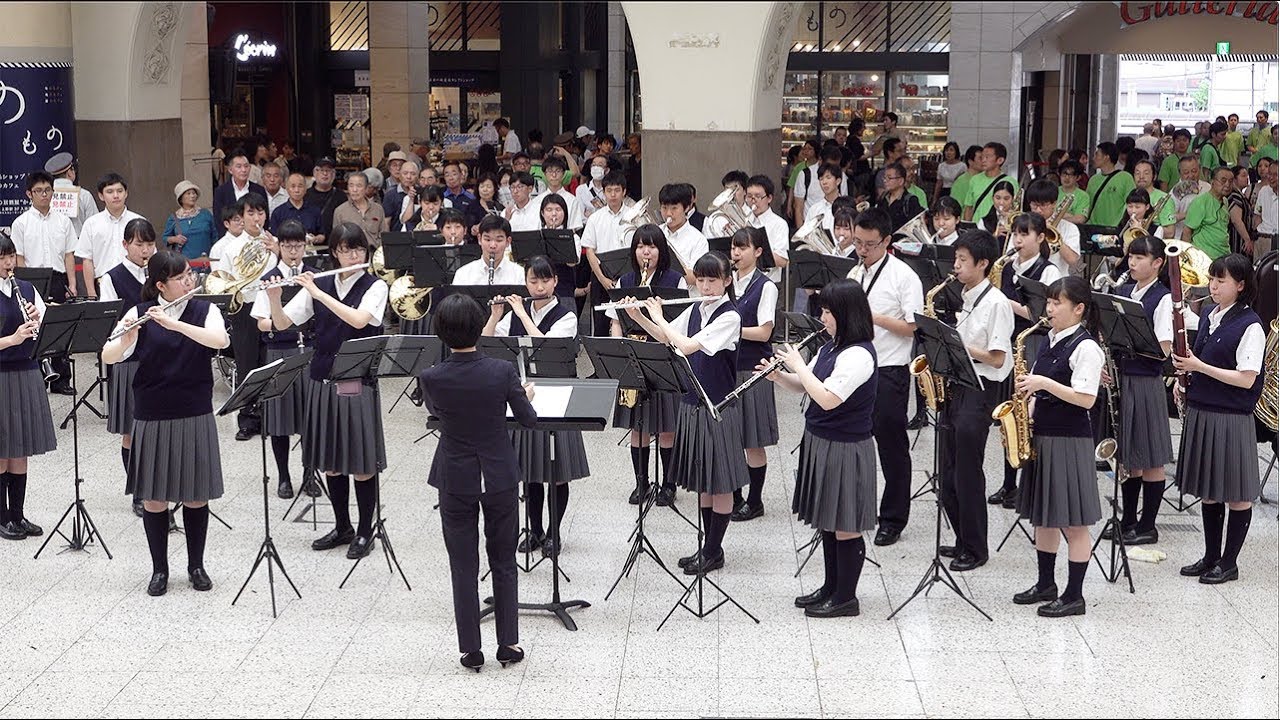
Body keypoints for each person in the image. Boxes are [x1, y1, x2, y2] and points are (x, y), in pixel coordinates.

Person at [102, 250, 230, 596]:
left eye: (190, 274)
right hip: (152, 412)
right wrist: (126, 338)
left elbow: (219, 341)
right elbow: (107, 355)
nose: (190, 281)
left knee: (195, 495)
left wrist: (173, 324)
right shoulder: (139, 313)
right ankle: (160, 570)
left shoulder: (206, 309)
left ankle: (196, 565)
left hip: (194, 410)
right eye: (181, 278)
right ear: (160, 284)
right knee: (155, 499)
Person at [420, 292, 534, 672]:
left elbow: (438, 415)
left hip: (455, 475)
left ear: (440, 332)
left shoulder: (431, 378)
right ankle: (508, 644)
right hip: (498, 473)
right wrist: (524, 395)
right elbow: (528, 420)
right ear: (479, 328)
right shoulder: (502, 371)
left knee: (462, 564)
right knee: (503, 560)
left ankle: (470, 649)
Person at [623, 252, 749, 575]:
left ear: (726, 281)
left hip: (717, 408)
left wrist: (661, 316)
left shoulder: (730, 317)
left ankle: (713, 549)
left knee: (719, 484)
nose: (706, 287)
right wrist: (639, 317)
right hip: (692, 404)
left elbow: (688, 346)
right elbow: (667, 338)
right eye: (702, 280)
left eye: (713, 280)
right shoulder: (696, 309)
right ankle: (708, 548)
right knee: (705, 482)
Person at [268, 223, 387, 559]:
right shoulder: (319, 282)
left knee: (362, 461)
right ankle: (342, 526)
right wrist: (275, 299)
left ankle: (366, 531)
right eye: (348, 249)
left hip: (356, 379)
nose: (354, 255)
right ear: (335, 252)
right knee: (332, 461)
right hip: (322, 376)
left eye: (359, 249)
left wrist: (318, 293)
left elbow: (361, 320)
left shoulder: (374, 285)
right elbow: (282, 324)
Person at [766, 278, 877, 618]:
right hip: (821, 439)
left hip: (845, 444)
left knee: (844, 522)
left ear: (846, 314)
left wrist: (798, 364)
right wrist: (780, 377)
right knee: (827, 519)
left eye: (828, 311)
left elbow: (828, 398)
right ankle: (831, 587)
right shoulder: (831, 346)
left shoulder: (858, 354)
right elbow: (807, 386)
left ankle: (846, 597)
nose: (822, 318)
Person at [1012, 276, 1104, 617]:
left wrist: (1043, 383)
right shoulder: (1050, 339)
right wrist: (1029, 413)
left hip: (1070, 441)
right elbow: (1036, 390)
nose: (1049, 309)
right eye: (1048, 303)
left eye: (1056, 304)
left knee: (1074, 522)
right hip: (1044, 436)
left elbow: (1085, 398)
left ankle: (1074, 595)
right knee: (1044, 517)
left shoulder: (1086, 347)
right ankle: (1045, 583)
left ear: (1078, 309)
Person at [482, 256, 585, 558]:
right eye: (533, 281)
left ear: (555, 281)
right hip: (524, 396)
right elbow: (486, 343)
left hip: (558, 396)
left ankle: (555, 532)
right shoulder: (515, 312)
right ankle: (535, 530)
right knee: (530, 469)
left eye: (545, 280)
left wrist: (520, 313)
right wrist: (495, 314)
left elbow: (545, 345)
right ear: (526, 282)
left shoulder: (566, 316)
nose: (539, 287)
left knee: (557, 471)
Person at [1173, 253, 1265, 585]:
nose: (1213, 285)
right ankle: (1211, 556)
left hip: (1230, 416)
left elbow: (1246, 378)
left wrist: (1198, 367)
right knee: (1210, 491)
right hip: (1204, 409)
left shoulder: (1250, 325)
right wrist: (1184, 382)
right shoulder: (1211, 315)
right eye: (1212, 278)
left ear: (1240, 286)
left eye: (1221, 280)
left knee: (1237, 494)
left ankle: (1229, 562)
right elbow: (1197, 361)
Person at [844, 209, 922, 547]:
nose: (862, 250)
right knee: (854, 442)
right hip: (855, 366)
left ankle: (893, 518)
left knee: (891, 447)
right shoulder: (855, 272)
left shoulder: (904, 277)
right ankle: (858, 509)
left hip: (889, 369)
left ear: (887, 242)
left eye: (870, 245)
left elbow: (912, 326)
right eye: (858, 242)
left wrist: (871, 315)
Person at [939, 230, 1014, 571]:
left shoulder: (996, 303)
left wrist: (957, 345)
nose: (956, 267)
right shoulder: (966, 296)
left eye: (962, 261)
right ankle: (961, 538)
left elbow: (998, 358)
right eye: (956, 260)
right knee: (949, 471)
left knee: (967, 472)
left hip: (983, 388)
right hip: (960, 384)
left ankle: (976, 547)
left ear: (983, 264)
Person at [1098, 235, 1176, 545]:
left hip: (1145, 381)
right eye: (1131, 256)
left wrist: (1131, 344)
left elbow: (1164, 349)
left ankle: (1147, 525)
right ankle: (1127, 519)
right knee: (1128, 455)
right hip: (1121, 378)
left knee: (1151, 456)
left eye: (1140, 258)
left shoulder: (1164, 297)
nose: (1132, 262)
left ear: (1157, 263)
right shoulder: (1123, 291)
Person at [608, 225, 686, 506]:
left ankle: (668, 483)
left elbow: (678, 325)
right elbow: (615, 320)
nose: (645, 251)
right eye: (640, 246)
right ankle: (641, 483)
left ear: (661, 250)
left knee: (666, 426)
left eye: (651, 246)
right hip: (632, 356)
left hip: (661, 355)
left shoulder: (675, 281)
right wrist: (618, 353)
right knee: (637, 425)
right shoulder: (624, 281)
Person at [988, 212, 1062, 507]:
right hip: (1007, 344)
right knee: (1010, 415)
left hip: (1034, 343)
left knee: (1027, 415)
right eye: (1015, 234)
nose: (1017, 240)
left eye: (1024, 234)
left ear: (1041, 237)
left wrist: (1005, 302)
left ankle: (1028, 484)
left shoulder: (1049, 273)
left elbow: (1047, 317)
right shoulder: (1006, 265)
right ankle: (1008, 483)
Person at [250, 220, 318, 499]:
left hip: (309, 351)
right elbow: (260, 323)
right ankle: (284, 477)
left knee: (310, 417)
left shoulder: (314, 275)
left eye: (298, 246)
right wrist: (281, 323)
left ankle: (309, 474)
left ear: (305, 246)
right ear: (279, 246)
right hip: (279, 351)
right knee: (279, 417)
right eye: (288, 246)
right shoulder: (269, 278)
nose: (293, 252)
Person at [99, 218, 158, 516]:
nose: (145, 250)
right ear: (125, 245)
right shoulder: (112, 277)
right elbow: (107, 324)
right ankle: (137, 489)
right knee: (131, 431)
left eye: (149, 244)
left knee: (159, 426)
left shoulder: (160, 273)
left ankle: (157, 485)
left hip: (160, 358)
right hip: (129, 360)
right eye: (139, 244)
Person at [0, 233, 57, 540]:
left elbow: (47, 329)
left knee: (19, 448)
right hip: (1, 373)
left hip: (26, 370)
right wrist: (13, 339)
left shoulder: (26, 289)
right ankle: (2, 516)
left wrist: (37, 320)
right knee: (1, 449)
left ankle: (18, 515)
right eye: (2, 257)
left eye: (11, 256)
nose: (9, 263)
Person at [727, 228, 779, 521]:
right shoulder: (727, 281)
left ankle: (755, 500)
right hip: (728, 366)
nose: (736, 253)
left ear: (758, 252)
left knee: (752, 438)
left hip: (754, 367)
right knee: (731, 436)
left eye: (742, 248)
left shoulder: (765, 286)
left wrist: (729, 329)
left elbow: (764, 332)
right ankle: (734, 495)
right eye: (734, 247)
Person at [11, 170, 77, 395]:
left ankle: (61, 379)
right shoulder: (20, 223)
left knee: (59, 327)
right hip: (30, 280)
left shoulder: (63, 221)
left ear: (53, 191)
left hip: (58, 279)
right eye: (38, 191)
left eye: (47, 190)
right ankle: (38, 376)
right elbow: (18, 257)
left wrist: (73, 284)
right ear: (29, 193)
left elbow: (69, 255)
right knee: (33, 328)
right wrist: (20, 285)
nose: (43, 194)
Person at [73, 173, 143, 297]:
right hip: (103, 285)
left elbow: (149, 255)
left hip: (135, 284)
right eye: (110, 192)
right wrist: (91, 293)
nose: (116, 196)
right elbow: (87, 260)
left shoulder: (139, 221)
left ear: (126, 193)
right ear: (101, 195)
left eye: (120, 191)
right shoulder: (91, 224)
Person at [581, 171, 630, 336]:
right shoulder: (595, 218)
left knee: (628, 322)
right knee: (600, 324)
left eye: (617, 190)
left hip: (628, 275)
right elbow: (589, 250)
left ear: (624, 191)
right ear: (604, 192)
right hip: (601, 275)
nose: (613, 195)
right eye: (609, 190)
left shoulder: (634, 216)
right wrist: (602, 278)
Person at [1025, 178, 1082, 276]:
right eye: (1034, 205)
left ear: (1054, 204)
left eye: (1043, 205)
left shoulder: (1070, 228)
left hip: (1057, 282)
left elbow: (1073, 261)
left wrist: (1055, 236)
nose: (1038, 210)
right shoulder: (1023, 224)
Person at [658, 183, 709, 285]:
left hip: (686, 297)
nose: (668, 213)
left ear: (686, 208)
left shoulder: (698, 240)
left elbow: (697, 278)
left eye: (674, 208)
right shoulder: (657, 233)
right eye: (664, 208)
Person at [456, 215, 525, 286]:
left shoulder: (519, 273)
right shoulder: (463, 274)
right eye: (487, 239)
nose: (492, 245)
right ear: (479, 239)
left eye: (499, 240)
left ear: (508, 242)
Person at [44, 152, 98, 240]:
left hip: (51, 245)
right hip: (79, 245)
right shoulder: (84, 195)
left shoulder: (44, 195)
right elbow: (94, 225)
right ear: (69, 173)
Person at [744, 175, 790, 280]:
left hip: (768, 282)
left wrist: (752, 250)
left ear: (769, 198)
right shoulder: (744, 220)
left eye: (758, 196)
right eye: (749, 196)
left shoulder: (779, 224)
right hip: (742, 282)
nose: (753, 201)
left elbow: (783, 261)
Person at [1183, 166, 1233, 260]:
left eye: (1230, 181)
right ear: (1212, 182)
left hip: (1223, 254)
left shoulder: (1225, 201)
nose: (1227, 184)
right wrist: (1187, 257)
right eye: (1223, 180)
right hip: (1203, 257)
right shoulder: (1200, 202)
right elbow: (1187, 231)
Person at [963, 142, 1019, 223]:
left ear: (1000, 160)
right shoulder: (974, 180)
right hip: (977, 230)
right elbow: (969, 207)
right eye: (982, 157)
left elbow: (1015, 209)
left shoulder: (1010, 182)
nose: (983, 160)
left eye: (987, 157)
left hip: (999, 229)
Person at [162, 180, 217, 261]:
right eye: (188, 193)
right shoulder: (174, 218)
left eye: (194, 193)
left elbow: (215, 236)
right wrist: (175, 239)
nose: (192, 196)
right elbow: (165, 238)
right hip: (184, 263)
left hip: (206, 261)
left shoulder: (205, 214)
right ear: (181, 198)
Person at [1086, 142, 1137, 228]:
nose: (1093, 158)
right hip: (1092, 227)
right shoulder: (1093, 180)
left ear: (1106, 157)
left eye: (1097, 154)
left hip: (1114, 228)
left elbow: (1131, 203)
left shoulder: (1125, 178)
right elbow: (1088, 205)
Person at [331, 171, 385, 248]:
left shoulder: (378, 209)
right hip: (351, 255)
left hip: (374, 255)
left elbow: (383, 236)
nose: (354, 190)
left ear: (366, 188)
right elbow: (336, 240)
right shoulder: (340, 211)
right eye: (351, 186)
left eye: (359, 186)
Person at [212, 148, 267, 222]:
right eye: (239, 166)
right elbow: (218, 219)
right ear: (230, 170)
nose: (243, 170)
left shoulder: (259, 190)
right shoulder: (221, 192)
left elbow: (264, 216)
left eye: (246, 166)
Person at [269, 172, 323, 239]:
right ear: (287, 189)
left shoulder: (315, 210)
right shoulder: (278, 212)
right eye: (293, 186)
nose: (297, 190)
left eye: (300, 186)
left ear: (306, 189)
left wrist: (315, 239)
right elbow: (273, 237)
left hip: (311, 248)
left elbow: (322, 235)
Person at [876, 162, 925, 233]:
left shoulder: (911, 200)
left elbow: (915, 227)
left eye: (889, 178)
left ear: (900, 181)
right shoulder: (883, 197)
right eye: (884, 177)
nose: (885, 181)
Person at [304, 157, 341, 245]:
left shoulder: (340, 196)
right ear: (314, 173)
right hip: (310, 246)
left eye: (328, 171)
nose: (325, 174)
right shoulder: (305, 195)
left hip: (334, 245)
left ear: (333, 174)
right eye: (321, 170)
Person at [1253, 160, 1278, 258]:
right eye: (1269, 174)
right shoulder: (1263, 191)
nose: (1271, 178)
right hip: (1262, 239)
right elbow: (1257, 215)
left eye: (1275, 175)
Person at [1057, 160, 1090, 225]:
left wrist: (1058, 218)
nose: (1067, 178)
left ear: (1078, 177)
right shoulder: (1053, 191)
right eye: (1064, 174)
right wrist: (1070, 216)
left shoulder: (1083, 196)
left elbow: (1080, 219)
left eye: (1071, 175)